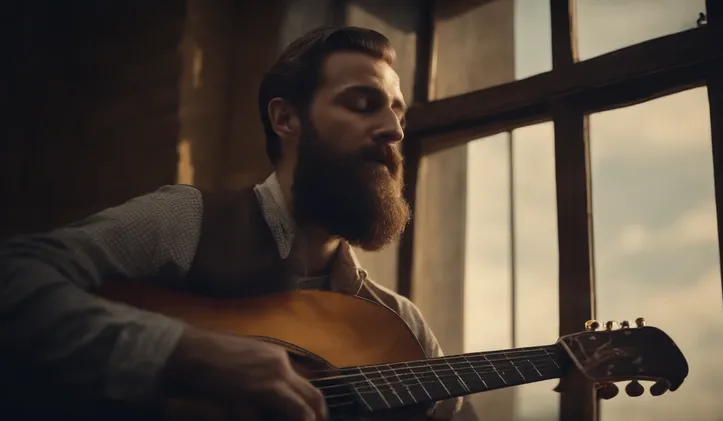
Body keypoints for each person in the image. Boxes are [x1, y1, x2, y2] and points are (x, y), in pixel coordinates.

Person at [0, 26, 462, 421]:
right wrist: (184, 355)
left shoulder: (404, 326)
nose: (394, 131)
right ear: (285, 118)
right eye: (363, 104)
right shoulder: (187, 221)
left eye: (397, 111)